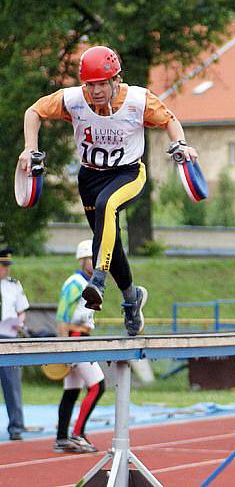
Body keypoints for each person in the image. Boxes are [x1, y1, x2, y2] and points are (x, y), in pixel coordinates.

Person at [20, 45, 200, 336]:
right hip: (89, 176)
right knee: (109, 241)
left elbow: (170, 120)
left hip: (128, 173)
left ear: (116, 80)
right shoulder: (73, 100)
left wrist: (180, 144)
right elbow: (34, 112)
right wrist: (30, 149)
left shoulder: (139, 100)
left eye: (103, 84)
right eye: (91, 85)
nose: (97, 91)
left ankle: (98, 282)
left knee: (107, 205)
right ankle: (132, 298)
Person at [54, 240, 105, 453]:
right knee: (97, 386)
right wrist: (65, 346)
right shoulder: (75, 282)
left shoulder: (89, 283)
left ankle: (62, 437)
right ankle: (78, 433)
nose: (95, 263)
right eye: (92, 258)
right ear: (83, 259)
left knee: (72, 391)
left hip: (80, 338)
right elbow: (62, 315)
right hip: (75, 340)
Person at [0, 248, 28, 440]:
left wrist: (20, 322)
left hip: (9, 338)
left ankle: (16, 427)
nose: (6, 270)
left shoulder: (13, 285)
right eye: (3, 266)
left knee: (12, 385)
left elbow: (21, 309)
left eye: (7, 266)